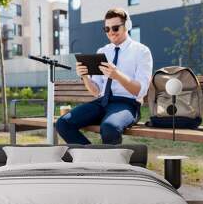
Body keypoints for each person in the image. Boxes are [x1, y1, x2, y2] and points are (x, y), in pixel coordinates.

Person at [56, 8, 153, 144]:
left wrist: (117, 75)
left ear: (127, 26)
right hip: (101, 102)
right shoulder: (102, 51)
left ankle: (112, 165)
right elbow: (96, 91)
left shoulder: (142, 52)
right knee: (63, 123)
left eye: (115, 28)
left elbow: (140, 91)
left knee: (109, 127)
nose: (111, 33)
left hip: (127, 104)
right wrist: (84, 77)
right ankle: (94, 159)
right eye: (107, 29)